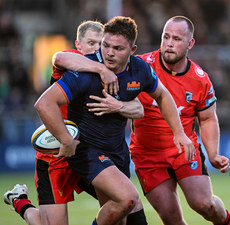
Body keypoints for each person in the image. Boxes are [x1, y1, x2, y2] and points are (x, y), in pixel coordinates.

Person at [34, 16, 194, 225]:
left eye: (118, 48)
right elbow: (44, 104)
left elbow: (162, 95)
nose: (109, 52)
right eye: (105, 45)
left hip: (117, 151)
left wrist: (179, 133)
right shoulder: (85, 71)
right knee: (128, 197)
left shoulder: (140, 70)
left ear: (132, 50)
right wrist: (66, 139)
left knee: (121, 218)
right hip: (87, 150)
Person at [3, 20, 145, 225]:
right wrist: (100, 68)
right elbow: (59, 57)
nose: (97, 49)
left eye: (101, 43)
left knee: (127, 202)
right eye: (91, 43)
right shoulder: (74, 62)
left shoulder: (111, 70)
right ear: (78, 45)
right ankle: (20, 201)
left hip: (88, 152)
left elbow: (138, 106)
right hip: (58, 154)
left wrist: (119, 105)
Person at [128, 16, 230, 225]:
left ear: (190, 43)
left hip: (184, 150)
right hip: (147, 156)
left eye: (176, 38)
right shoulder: (141, 66)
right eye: (166, 37)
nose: (169, 43)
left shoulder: (200, 79)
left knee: (204, 204)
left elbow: (208, 118)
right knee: (171, 218)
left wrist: (212, 154)